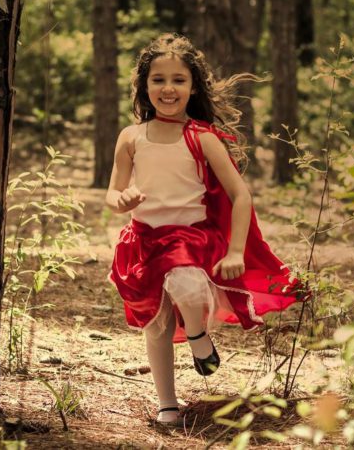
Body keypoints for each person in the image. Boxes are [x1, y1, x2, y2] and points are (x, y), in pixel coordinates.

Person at [106, 33, 303, 427]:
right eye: (158, 79)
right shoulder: (131, 137)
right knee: (157, 323)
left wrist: (234, 251)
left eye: (178, 79)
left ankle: (197, 337)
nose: (168, 88)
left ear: (193, 86)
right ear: (144, 86)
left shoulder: (201, 137)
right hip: (143, 241)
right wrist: (121, 200)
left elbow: (240, 196)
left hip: (190, 238)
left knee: (186, 281)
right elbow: (112, 192)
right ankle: (167, 403)